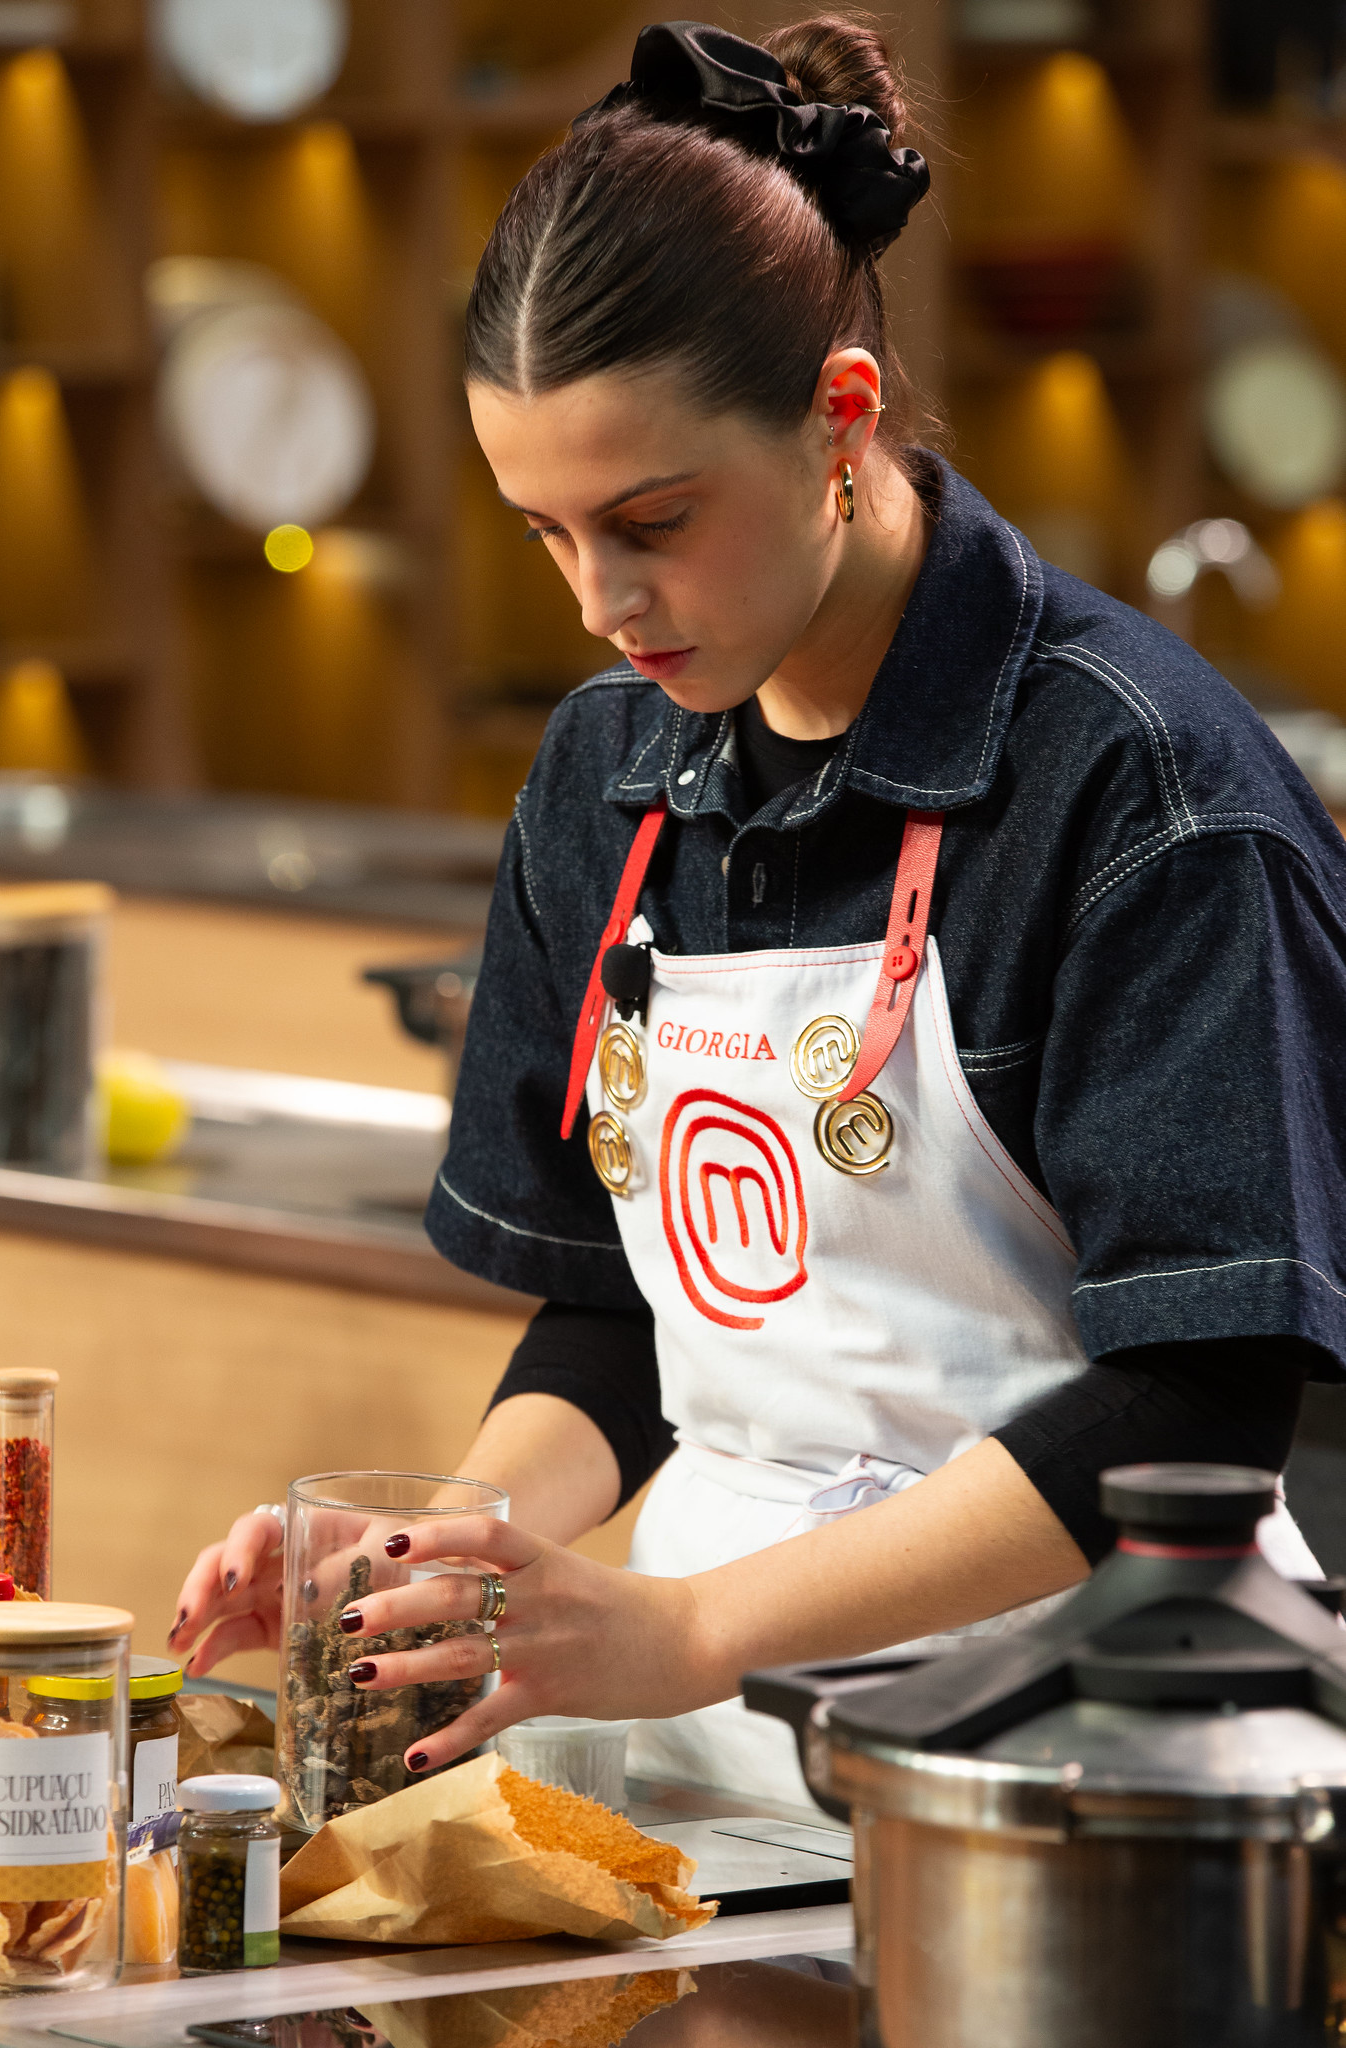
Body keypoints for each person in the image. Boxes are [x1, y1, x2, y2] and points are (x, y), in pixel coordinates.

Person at [170, 16, 1346, 1806]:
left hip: (1090, 1776)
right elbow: (625, 1312)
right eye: (547, 532)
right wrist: (454, 1560)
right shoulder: (607, 775)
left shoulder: (1138, 790)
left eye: (651, 518)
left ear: (840, 421)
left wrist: (700, 1627)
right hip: (715, 1767)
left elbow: (1195, 1399)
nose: (600, 600)